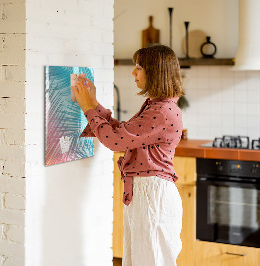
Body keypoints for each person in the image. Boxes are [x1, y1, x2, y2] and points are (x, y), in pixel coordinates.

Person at [72, 44, 184, 266]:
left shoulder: (161, 111)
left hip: (152, 197)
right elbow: (123, 133)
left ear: (155, 72)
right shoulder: (157, 106)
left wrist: (87, 108)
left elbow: (115, 141)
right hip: (147, 195)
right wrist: (93, 104)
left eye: (139, 67)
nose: (134, 73)